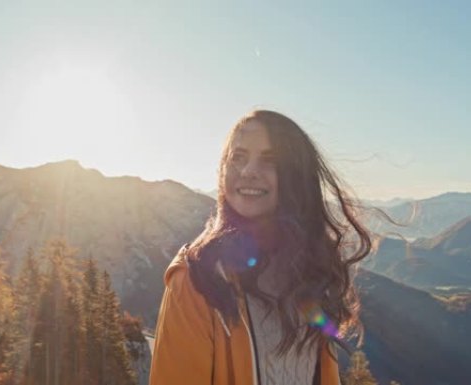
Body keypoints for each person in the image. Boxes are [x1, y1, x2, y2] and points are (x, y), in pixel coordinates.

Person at [150, 110, 372, 385]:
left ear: (297, 176)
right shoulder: (196, 279)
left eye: (270, 161)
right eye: (238, 158)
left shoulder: (306, 272)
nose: (248, 172)